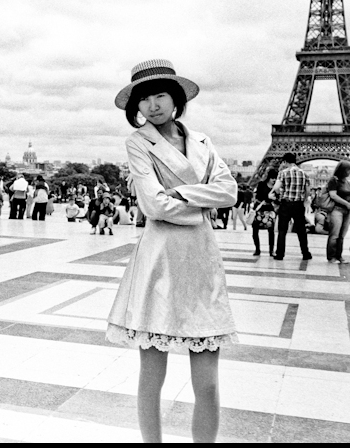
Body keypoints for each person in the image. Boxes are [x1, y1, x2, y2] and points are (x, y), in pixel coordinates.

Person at [106, 59, 237, 443]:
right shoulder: (137, 142)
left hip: (200, 258)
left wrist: (177, 192)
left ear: (176, 98)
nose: (153, 105)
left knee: (208, 383)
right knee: (152, 376)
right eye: (144, 99)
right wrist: (201, 204)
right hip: (160, 260)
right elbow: (152, 205)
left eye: (160, 95)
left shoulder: (203, 142)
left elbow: (229, 192)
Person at [269, 152, 313, 261]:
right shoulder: (304, 173)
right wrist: (303, 199)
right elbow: (308, 191)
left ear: (285, 161)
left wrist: (280, 194)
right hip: (298, 204)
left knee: (282, 230)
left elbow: (276, 188)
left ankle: (280, 254)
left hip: (286, 204)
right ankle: (305, 253)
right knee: (301, 230)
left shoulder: (283, 173)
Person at [325, 160, 350, 264]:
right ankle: (331, 257)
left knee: (341, 235)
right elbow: (333, 195)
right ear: (343, 170)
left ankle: (339, 255)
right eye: (349, 169)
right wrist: (346, 203)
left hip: (347, 211)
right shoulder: (334, 180)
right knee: (334, 235)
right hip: (337, 209)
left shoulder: (347, 181)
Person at [251, 168, 278, 256]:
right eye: (272, 178)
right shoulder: (261, 184)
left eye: (275, 178)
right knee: (255, 230)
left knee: (271, 231)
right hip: (260, 209)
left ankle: (271, 251)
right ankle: (257, 249)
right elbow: (258, 196)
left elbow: (277, 200)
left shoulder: (276, 187)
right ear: (269, 177)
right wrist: (268, 197)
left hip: (270, 210)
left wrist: (276, 197)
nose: (274, 180)